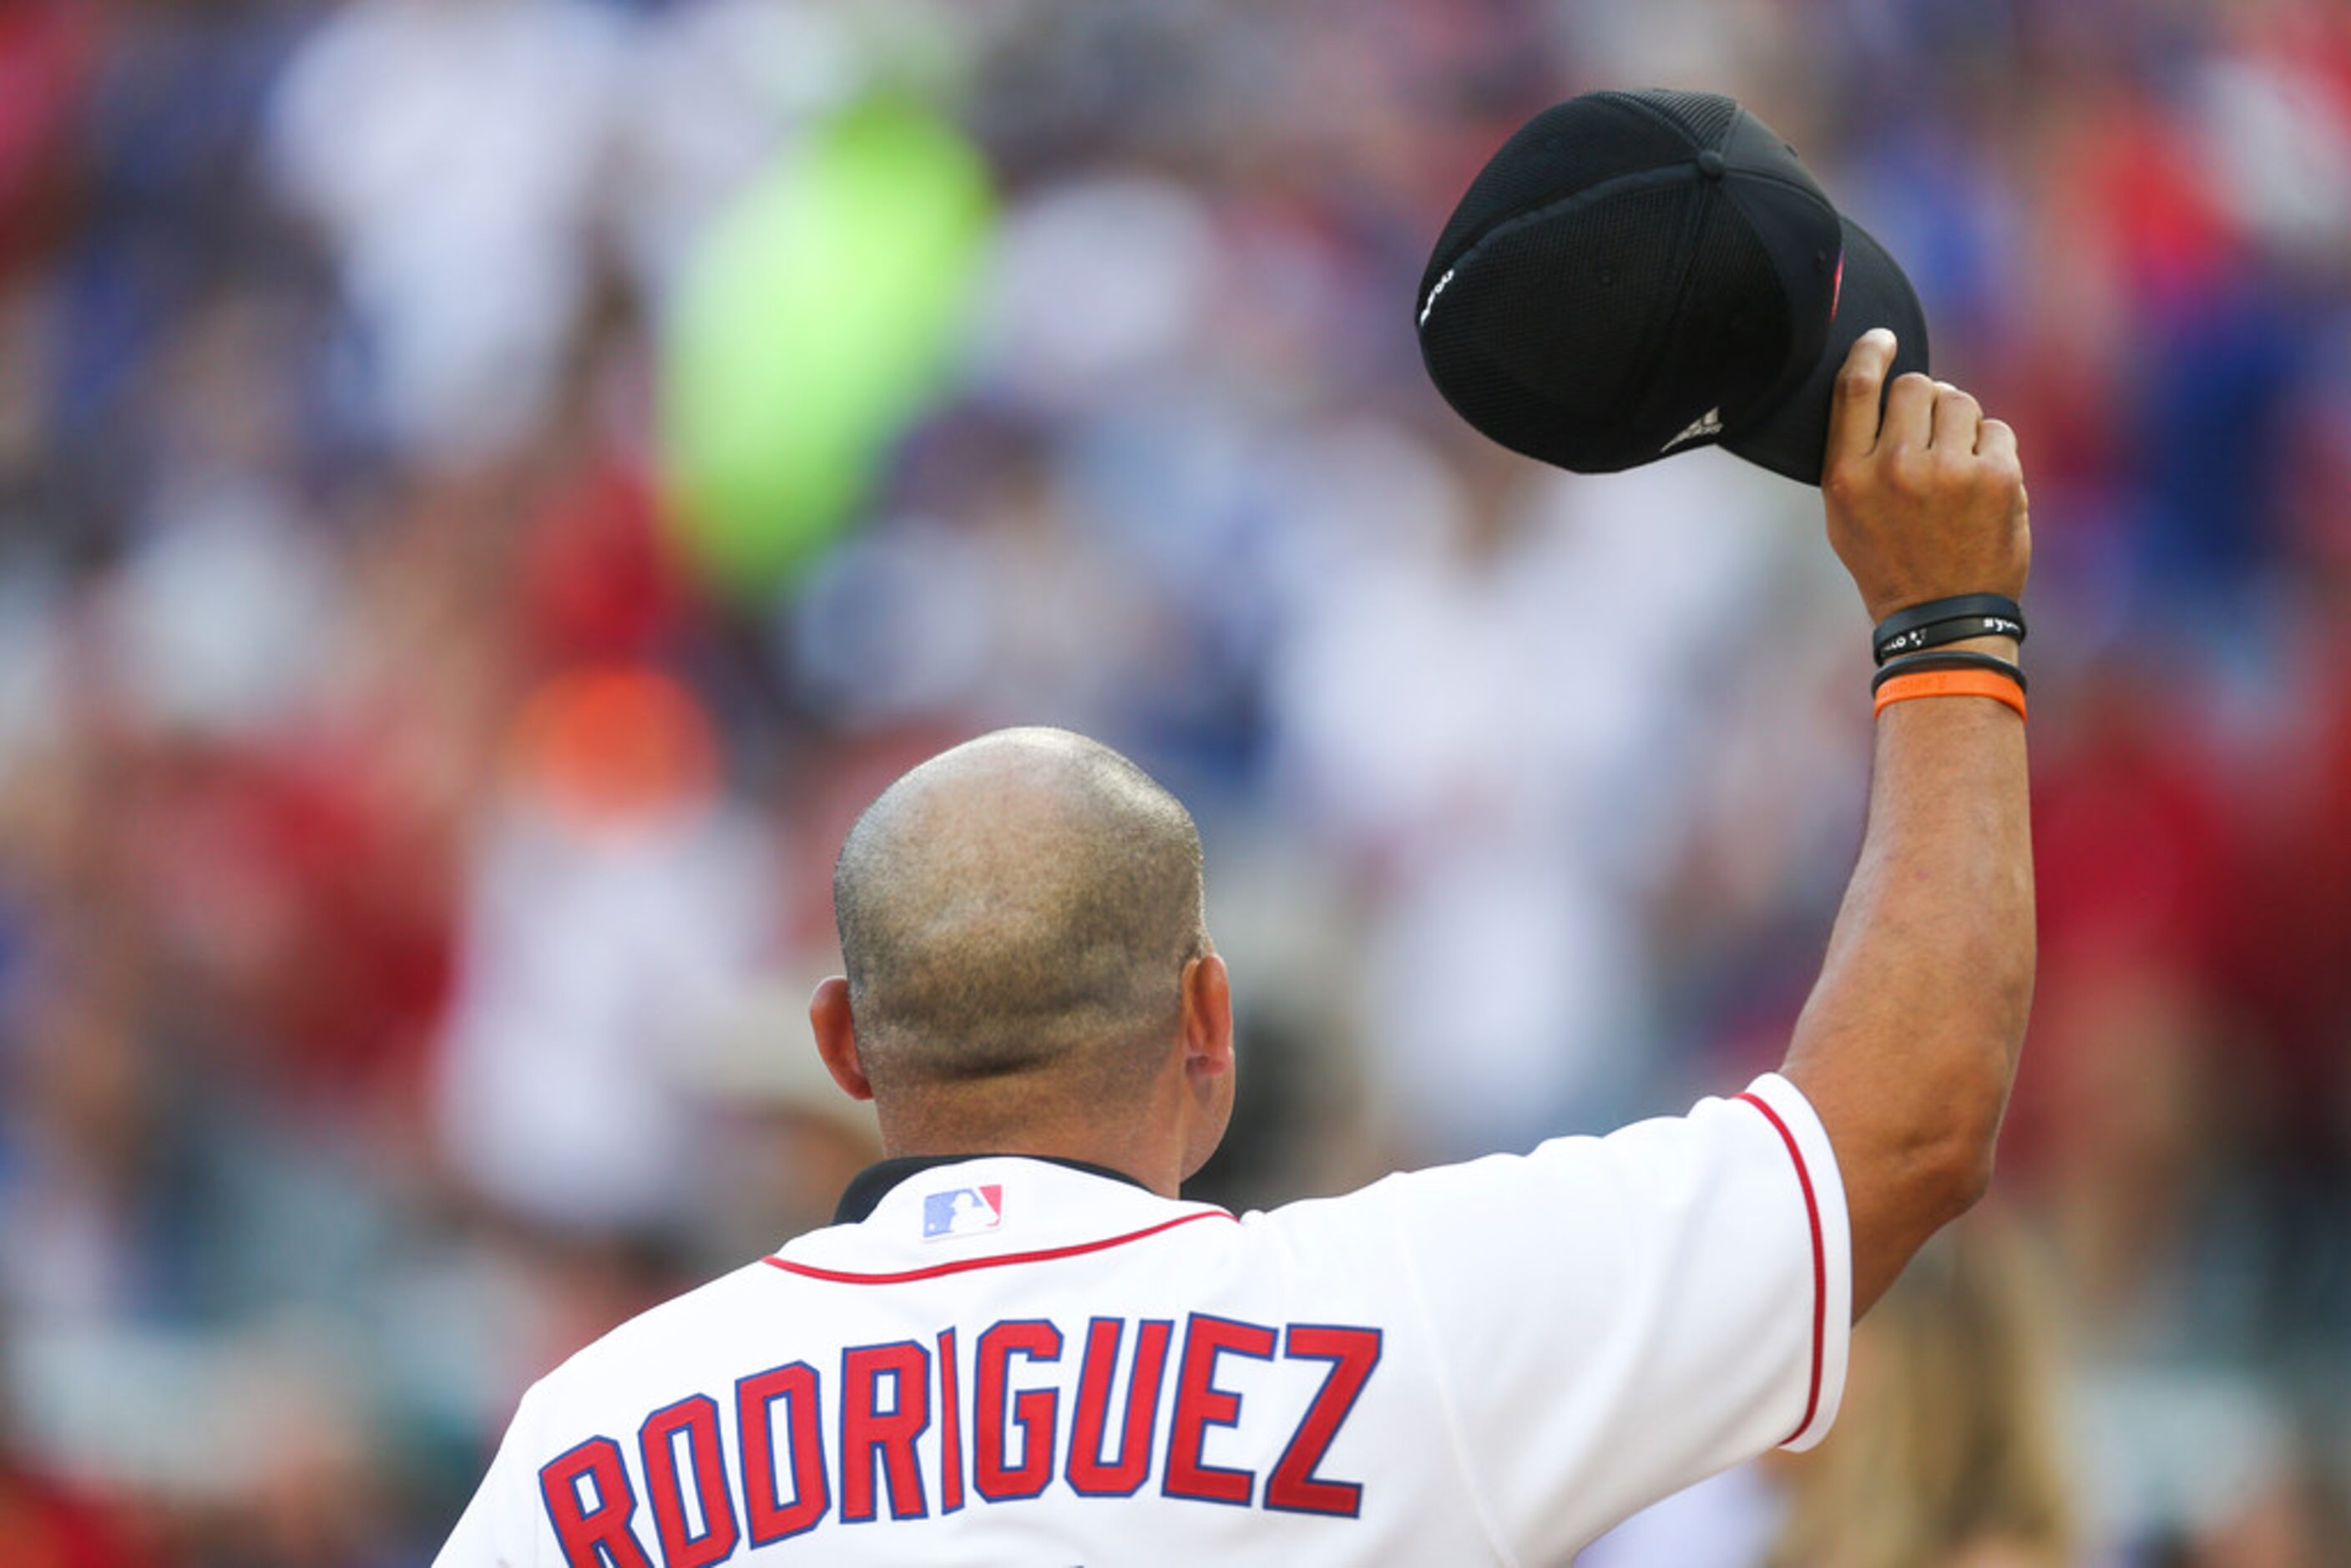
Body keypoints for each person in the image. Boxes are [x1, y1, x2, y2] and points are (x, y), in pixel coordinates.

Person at [437, 326, 2034, 1564]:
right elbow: (1902, 1127)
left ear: (847, 1044)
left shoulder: (596, 1438)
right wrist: (1947, 625)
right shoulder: (1382, 1326)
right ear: (1209, 1017)